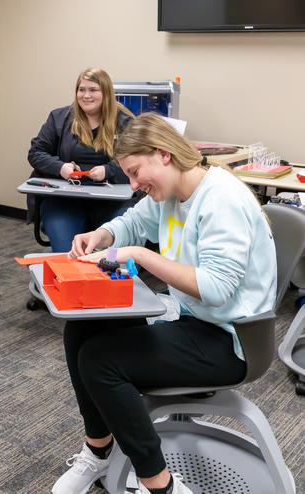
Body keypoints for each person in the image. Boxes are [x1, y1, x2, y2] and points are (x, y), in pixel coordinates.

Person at [50, 112, 276, 494]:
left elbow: (216, 288)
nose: (136, 185)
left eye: (137, 173)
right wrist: (101, 234)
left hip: (233, 340)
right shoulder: (172, 193)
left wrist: (137, 254)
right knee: (82, 326)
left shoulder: (221, 199)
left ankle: (161, 484)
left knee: (100, 361)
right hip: (194, 319)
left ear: (163, 154)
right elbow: (134, 221)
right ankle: (98, 454)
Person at [27, 68, 137, 252]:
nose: (86, 95)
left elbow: (136, 161)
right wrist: (60, 167)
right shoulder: (59, 118)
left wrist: (107, 171)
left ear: (106, 93)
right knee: (66, 252)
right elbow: (36, 153)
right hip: (65, 200)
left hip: (114, 202)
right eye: (81, 89)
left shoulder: (125, 123)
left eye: (93, 90)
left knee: (112, 255)